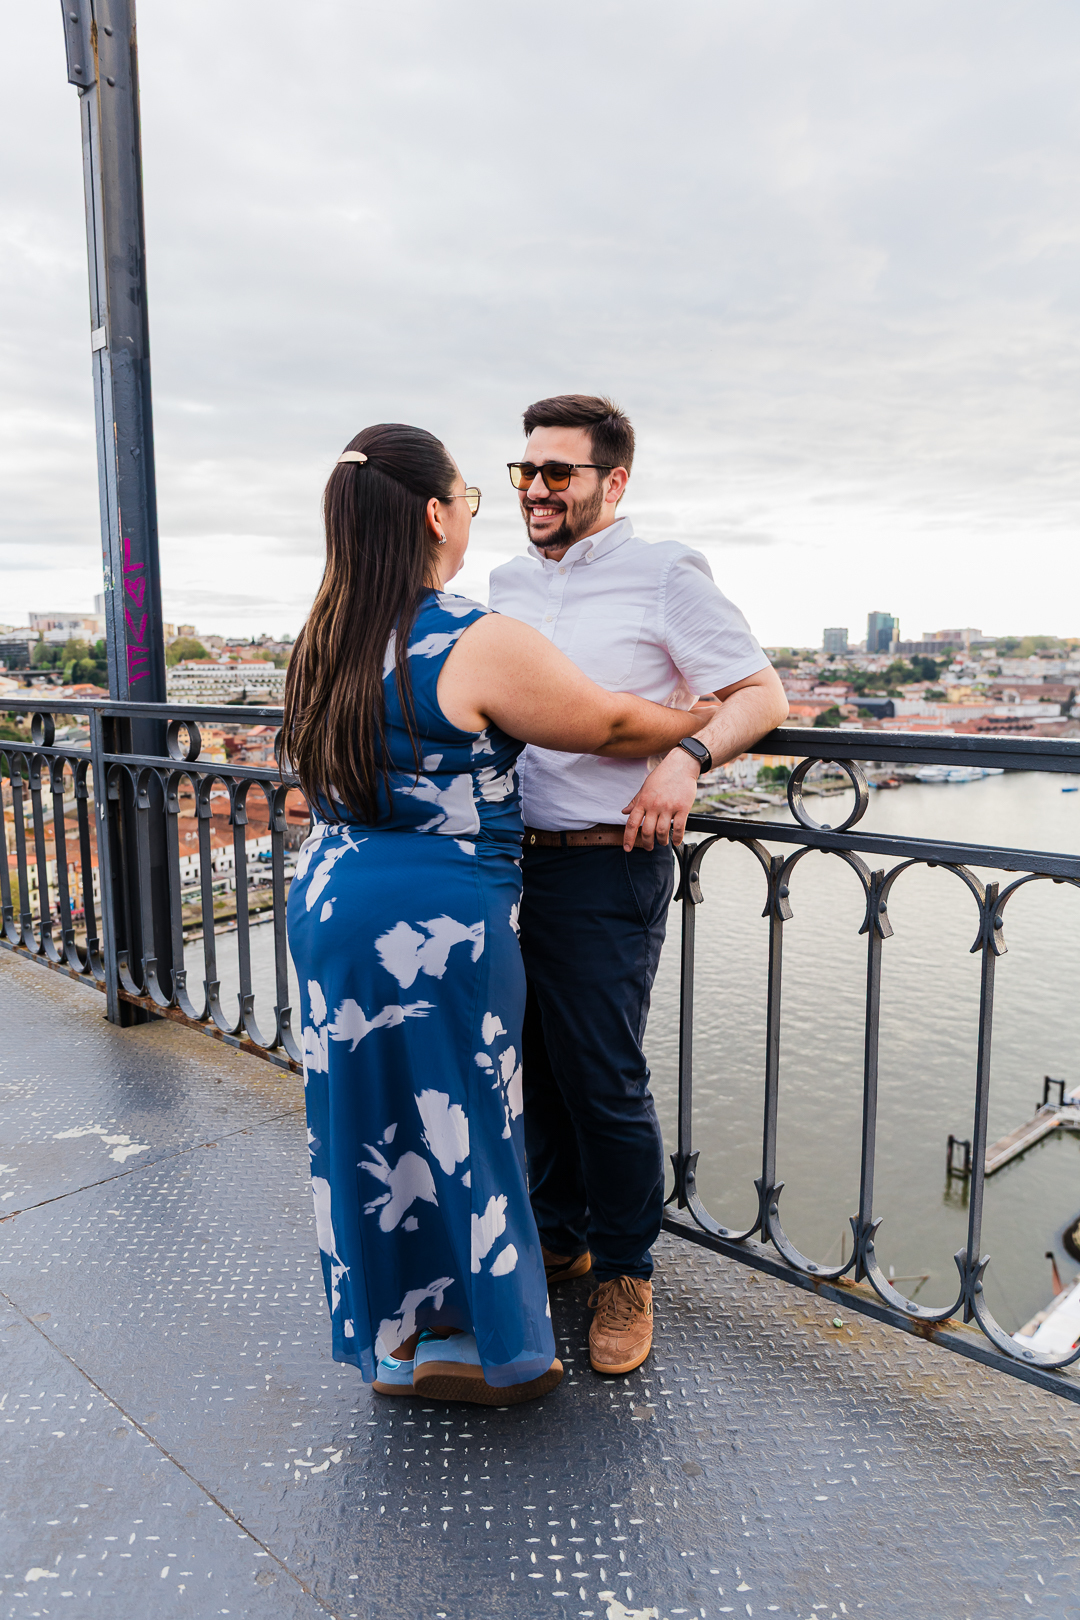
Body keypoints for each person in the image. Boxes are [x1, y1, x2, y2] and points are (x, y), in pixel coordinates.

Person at [284, 422, 719, 1406]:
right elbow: (608, 722)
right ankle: (485, 1343)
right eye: (473, 498)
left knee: (366, 1125)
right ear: (437, 514)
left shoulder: (322, 637)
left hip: (331, 902)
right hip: (437, 927)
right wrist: (702, 725)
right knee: (460, 1124)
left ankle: (400, 1339)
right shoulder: (468, 639)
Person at [488, 394, 788, 1378]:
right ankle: (559, 1235)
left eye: (557, 473)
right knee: (532, 1062)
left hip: (606, 856)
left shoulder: (665, 572)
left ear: (613, 482)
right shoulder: (502, 581)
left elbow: (761, 693)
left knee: (604, 1076)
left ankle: (626, 1271)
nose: (535, 489)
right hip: (506, 857)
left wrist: (688, 757)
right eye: (525, 471)